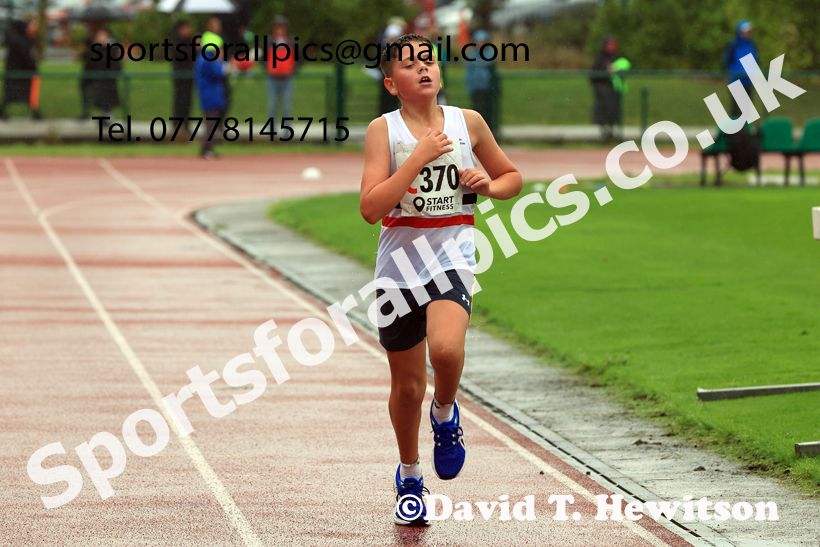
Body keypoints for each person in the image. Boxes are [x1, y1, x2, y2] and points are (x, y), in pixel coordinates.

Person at [359, 34, 522, 526]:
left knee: (446, 352)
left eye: (428, 60)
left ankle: (446, 413)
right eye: (409, 65)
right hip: (398, 270)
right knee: (407, 388)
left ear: (440, 73)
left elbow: (513, 177)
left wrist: (487, 186)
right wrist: (416, 158)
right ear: (392, 83)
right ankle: (409, 475)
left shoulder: (467, 122)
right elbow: (370, 208)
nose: (422, 68)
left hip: (452, 258)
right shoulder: (382, 131)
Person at [195, 20, 229, 159]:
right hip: (209, 94)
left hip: (210, 93)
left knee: (212, 122)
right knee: (211, 123)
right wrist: (224, 65)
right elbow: (217, 72)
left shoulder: (206, 57)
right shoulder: (207, 58)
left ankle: (207, 147)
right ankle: (207, 148)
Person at [0, 19, 41, 120]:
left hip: (13, 72)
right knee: (27, 94)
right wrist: (33, 68)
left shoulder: (14, 39)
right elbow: (26, 57)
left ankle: (34, 113)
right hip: (22, 73)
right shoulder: (21, 41)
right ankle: (35, 113)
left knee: (10, 94)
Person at [82, 27, 122, 123]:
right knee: (97, 96)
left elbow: (112, 63)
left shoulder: (112, 48)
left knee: (106, 97)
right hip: (97, 77)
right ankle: (100, 115)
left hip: (107, 78)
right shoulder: (97, 47)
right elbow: (90, 60)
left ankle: (106, 116)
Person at [723, 20, 758, 119]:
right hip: (736, 81)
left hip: (748, 81)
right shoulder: (734, 44)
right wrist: (732, 73)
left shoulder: (752, 44)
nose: (748, 33)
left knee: (747, 109)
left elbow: (756, 61)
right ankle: (733, 132)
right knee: (735, 108)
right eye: (746, 31)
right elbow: (726, 61)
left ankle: (745, 132)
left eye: (749, 31)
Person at [265, 16, 296, 123]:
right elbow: (262, 58)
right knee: (272, 106)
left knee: (287, 107)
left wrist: (293, 68)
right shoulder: (269, 43)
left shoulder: (291, 42)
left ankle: (287, 131)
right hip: (272, 78)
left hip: (287, 79)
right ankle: (271, 130)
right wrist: (267, 68)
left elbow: (300, 58)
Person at [463, 30, 495, 134]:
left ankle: (489, 133)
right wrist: (469, 87)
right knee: (477, 111)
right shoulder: (472, 55)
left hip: (486, 88)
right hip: (476, 88)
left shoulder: (489, 54)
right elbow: (469, 73)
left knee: (487, 111)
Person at [590, 35, 621, 141]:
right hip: (602, 89)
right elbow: (594, 74)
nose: (613, 47)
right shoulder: (600, 57)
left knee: (613, 109)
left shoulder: (615, 57)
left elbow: (622, 67)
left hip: (613, 89)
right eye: (610, 44)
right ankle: (604, 133)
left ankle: (611, 133)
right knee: (603, 109)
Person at [377, 22, 404, 115]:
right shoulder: (386, 49)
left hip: (394, 79)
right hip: (388, 79)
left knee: (393, 101)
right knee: (387, 101)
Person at [171, 21, 195, 123]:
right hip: (180, 75)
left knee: (188, 100)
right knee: (180, 99)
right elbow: (181, 54)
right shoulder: (175, 40)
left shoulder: (189, 40)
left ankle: (186, 122)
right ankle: (177, 123)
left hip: (189, 75)